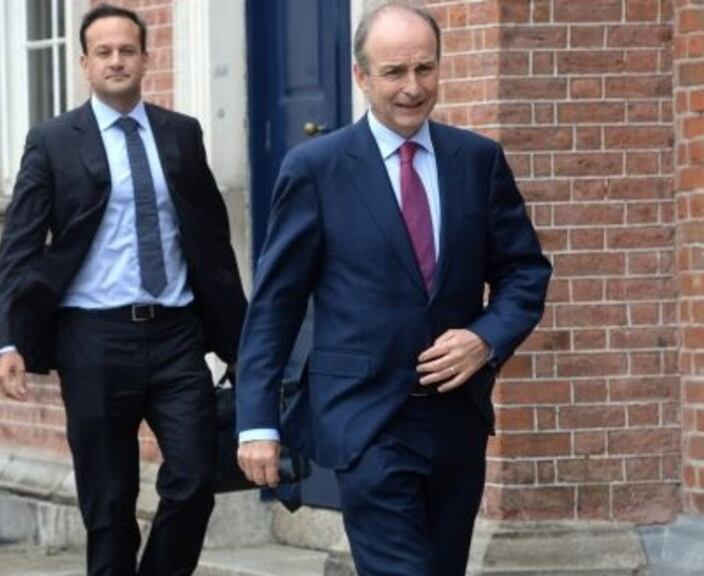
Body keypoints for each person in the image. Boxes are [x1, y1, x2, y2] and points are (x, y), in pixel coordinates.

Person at [235, 2, 552, 575]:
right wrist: (257, 421)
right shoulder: (316, 169)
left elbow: (524, 273)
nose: (412, 88)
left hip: (457, 420)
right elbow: (274, 305)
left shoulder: (477, 161)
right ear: (361, 76)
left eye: (425, 69)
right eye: (394, 72)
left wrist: (485, 339)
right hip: (365, 421)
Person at [0, 4, 246, 575]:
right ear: (84, 63)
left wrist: (239, 340)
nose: (116, 61)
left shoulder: (181, 134)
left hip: (177, 333)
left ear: (145, 58)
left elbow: (211, 241)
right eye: (103, 52)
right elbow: (20, 246)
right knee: (108, 504)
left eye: (126, 50)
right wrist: (8, 339)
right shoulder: (53, 140)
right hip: (94, 339)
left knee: (195, 478)